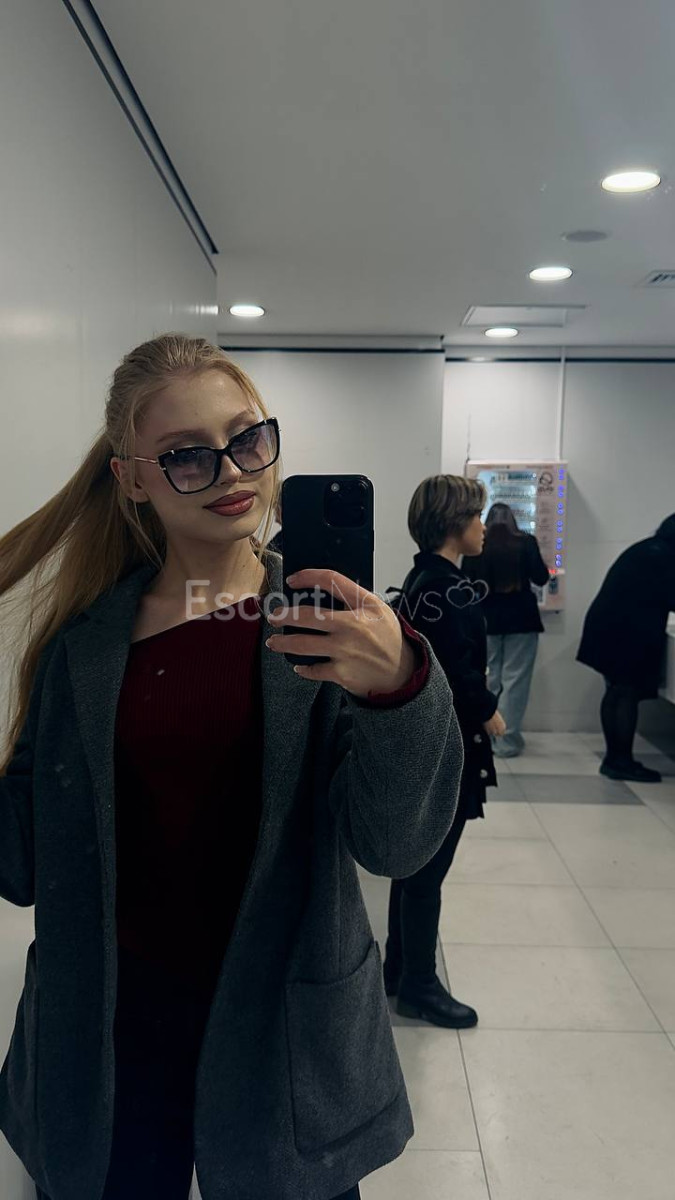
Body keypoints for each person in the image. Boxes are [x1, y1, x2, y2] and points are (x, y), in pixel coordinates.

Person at [0, 335, 465, 1200]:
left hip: (284, 1022)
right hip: (108, 1028)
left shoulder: (332, 629)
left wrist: (400, 689)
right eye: (186, 455)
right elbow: (22, 857)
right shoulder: (83, 646)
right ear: (130, 478)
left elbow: (395, 845)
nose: (231, 472)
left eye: (247, 438)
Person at [383, 475, 504, 1029]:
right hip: (447, 745)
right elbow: (455, 669)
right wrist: (489, 710)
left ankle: (399, 969)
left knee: (415, 865)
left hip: (431, 742)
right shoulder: (446, 589)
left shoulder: (425, 579)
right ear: (455, 524)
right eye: (476, 517)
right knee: (427, 871)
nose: (483, 527)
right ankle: (419, 984)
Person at [577, 514, 675, 783]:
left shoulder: (650, 549)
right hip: (626, 633)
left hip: (611, 629)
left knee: (617, 692)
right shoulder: (662, 556)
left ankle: (616, 758)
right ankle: (619, 761)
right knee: (624, 694)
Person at [464, 502, 550, 757]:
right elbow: (541, 577)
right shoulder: (526, 542)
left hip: (486, 619)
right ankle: (507, 740)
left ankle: (486, 738)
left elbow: (466, 580)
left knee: (489, 677)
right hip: (522, 618)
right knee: (516, 680)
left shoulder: (479, 544)